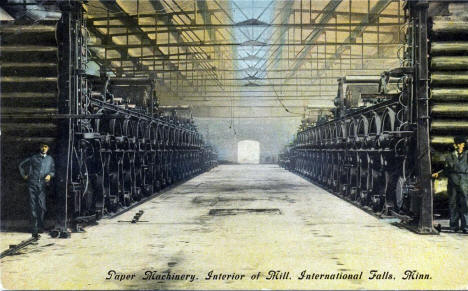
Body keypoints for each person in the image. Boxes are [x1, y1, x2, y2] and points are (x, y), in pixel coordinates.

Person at [18, 143, 55, 238]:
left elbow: (52, 170)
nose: (44, 148)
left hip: (42, 185)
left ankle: (40, 226)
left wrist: (49, 175)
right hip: (32, 184)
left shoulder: (50, 159)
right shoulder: (33, 158)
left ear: (48, 148)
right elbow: (21, 165)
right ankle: (34, 228)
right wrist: (24, 175)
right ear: (40, 147)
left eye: (46, 147)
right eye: (42, 146)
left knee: (42, 206)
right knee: (33, 205)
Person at [432, 136, 468, 233]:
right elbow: (446, 170)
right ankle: (454, 226)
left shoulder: (467, 155)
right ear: (456, 145)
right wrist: (438, 174)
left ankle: (466, 227)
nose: (462, 146)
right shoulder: (449, 156)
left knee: (465, 205)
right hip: (452, 184)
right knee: (453, 204)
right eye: (461, 144)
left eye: (463, 145)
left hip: (465, 183)